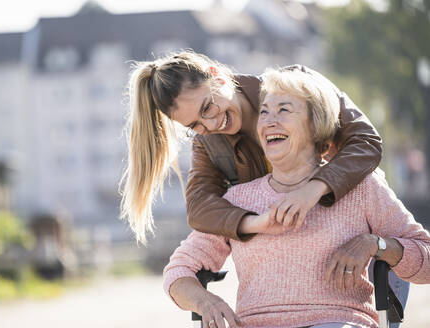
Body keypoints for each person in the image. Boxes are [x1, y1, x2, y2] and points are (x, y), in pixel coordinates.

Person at [162, 68, 430, 328]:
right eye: (264, 113)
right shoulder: (237, 200)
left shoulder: (362, 189)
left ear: (317, 125)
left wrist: (375, 245)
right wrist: (204, 301)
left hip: (337, 321)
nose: (267, 121)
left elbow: (426, 260)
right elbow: (178, 272)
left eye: (284, 111)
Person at [120, 51, 381, 244]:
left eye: (207, 107)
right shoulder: (208, 145)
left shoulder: (296, 84)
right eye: (195, 125)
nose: (211, 124)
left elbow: (366, 141)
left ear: (216, 76)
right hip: (299, 253)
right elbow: (199, 208)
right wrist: (256, 222)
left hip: (365, 233)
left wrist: (314, 189)